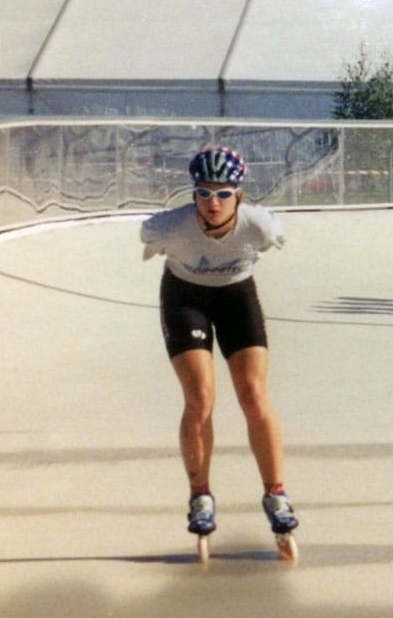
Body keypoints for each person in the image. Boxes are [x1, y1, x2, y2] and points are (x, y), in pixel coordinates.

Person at [140, 146, 299, 539]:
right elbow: (145, 232)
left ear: (239, 195)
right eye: (204, 193)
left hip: (236, 297)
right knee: (200, 397)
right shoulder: (169, 228)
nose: (213, 203)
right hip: (185, 299)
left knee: (254, 394)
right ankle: (200, 495)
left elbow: (272, 240)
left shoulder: (259, 226)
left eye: (224, 194)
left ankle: (275, 493)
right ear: (193, 194)